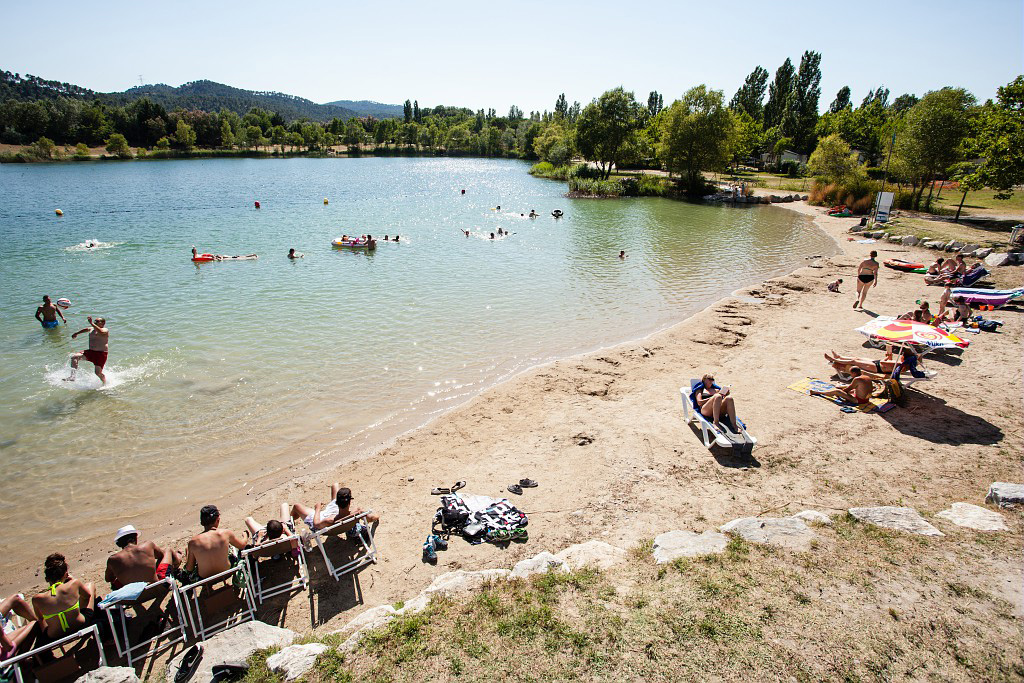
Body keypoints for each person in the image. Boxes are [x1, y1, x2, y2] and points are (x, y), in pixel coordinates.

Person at [31, 554, 96, 642]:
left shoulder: (37, 599)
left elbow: (40, 619)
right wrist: (72, 580)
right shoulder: (74, 583)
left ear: (46, 579)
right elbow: (87, 596)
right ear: (66, 574)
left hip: (54, 636)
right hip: (79, 625)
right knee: (90, 586)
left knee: (43, 619)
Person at [182, 505, 249, 581]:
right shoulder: (225, 533)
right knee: (233, 550)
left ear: (201, 522)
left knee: (190, 552)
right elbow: (242, 545)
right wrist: (245, 535)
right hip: (227, 573)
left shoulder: (193, 542)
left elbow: (189, 568)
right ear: (218, 520)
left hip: (205, 579)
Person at [104, 525, 182, 590]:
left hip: (132, 598)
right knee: (168, 551)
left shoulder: (112, 559)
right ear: (135, 538)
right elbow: (161, 556)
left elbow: (108, 579)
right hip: (157, 588)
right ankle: (177, 562)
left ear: (119, 544)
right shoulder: (147, 545)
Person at [290, 484, 379, 532]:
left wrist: (317, 508)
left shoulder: (329, 521)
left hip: (324, 519)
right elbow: (372, 518)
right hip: (341, 517)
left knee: (296, 506)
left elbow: (316, 524)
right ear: (350, 502)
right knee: (335, 485)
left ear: (336, 502)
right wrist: (376, 516)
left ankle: (290, 525)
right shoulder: (357, 512)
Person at [66, 316, 108, 384]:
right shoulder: (92, 329)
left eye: (97, 321)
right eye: (95, 321)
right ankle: (72, 377)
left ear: (103, 323)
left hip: (101, 354)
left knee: (98, 373)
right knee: (74, 357)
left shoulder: (105, 330)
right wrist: (76, 333)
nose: (95, 322)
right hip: (90, 352)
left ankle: (105, 383)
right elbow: (86, 329)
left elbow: (101, 331)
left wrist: (91, 323)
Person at [809, 366, 874, 405]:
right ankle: (839, 387)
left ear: (854, 373)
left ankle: (817, 392)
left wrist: (840, 392)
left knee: (836, 391)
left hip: (859, 401)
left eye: (851, 374)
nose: (851, 375)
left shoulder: (857, 379)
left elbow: (847, 390)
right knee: (846, 387)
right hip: (866, 399)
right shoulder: (866, 376)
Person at [1, 593, 37, 662]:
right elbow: (9, 647)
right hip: (3, 659)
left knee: (15, 599)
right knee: (35, 624)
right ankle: (21, 660)